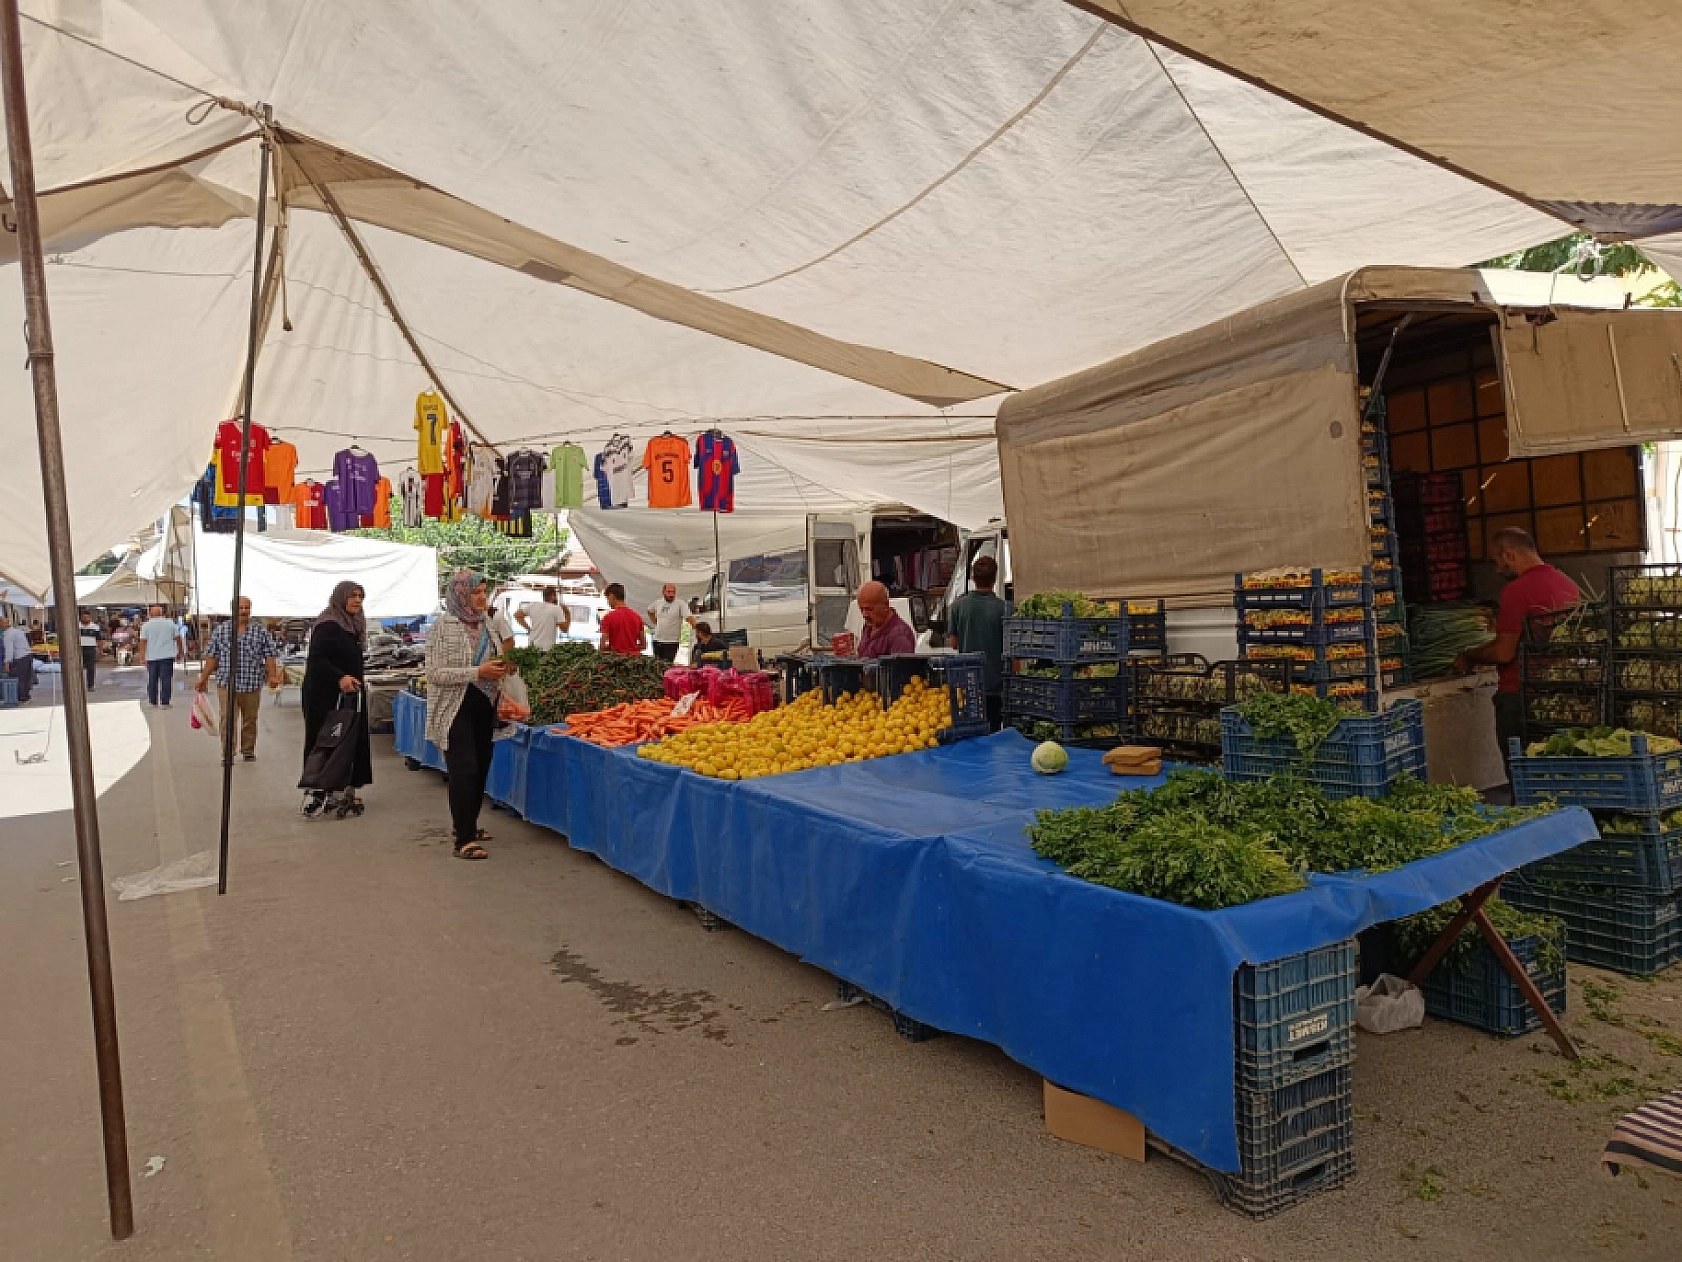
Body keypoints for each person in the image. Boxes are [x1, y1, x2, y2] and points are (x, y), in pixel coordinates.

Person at [1453, 527, 1581, 765]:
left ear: (1509, 555)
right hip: (1560, 694)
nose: (1497, 570)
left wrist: (1469, 656)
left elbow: (1503, 652)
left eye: (1497, 561)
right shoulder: (1568, 584)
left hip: (1521, 696)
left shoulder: (1517, 590)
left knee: (1523, 773)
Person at [426, 570, 511, 860]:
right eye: (475, 593)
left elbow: (495, 657)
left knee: (481, 767)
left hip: (484, 704)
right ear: (461, 594)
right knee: (465, 770)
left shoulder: (486, 622)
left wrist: (503, 668)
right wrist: (477, 672)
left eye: (484, 592)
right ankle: (463, 839)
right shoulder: (443, 626)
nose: (481, 597)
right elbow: (434, 673)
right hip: (454, 707)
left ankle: (469, 825)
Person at [300, 581, 372, 817]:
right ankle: (320, 790)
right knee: (326, 738)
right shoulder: (328, 623)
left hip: (348, 692)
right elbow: (317, 660)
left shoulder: (354, 623)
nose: (357, 600)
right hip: (324, 694)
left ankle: (342, 785)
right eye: (352, 596)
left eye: (360, 596)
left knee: (348, 739)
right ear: (340, 597)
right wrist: (340, 677)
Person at [196, 597, 284, 761]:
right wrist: (204, 678)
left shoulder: (260, 631)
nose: (244, 611)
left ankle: (248, 750)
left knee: (250, 719)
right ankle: (228, 752)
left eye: (247, 608)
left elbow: (270, 655)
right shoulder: (221, 631)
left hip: (252, 683)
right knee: (227, 719)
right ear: (233, 610)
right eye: (240, 608)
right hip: (226, 683)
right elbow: (212, 656)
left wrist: (272, 675)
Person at [945, 556, 1007, 730]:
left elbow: (954, 644)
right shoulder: (1003, 608)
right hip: (995, 684)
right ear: (995, 579)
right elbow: (1010, 649)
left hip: (968, 684)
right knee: (993, 731)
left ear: (972, 578)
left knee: (970, 732)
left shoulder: (957, 606)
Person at [856, 580, 915, 659]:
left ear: (885, 605)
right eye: (861, 609)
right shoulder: (868, 627)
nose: (864, 614)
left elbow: (900, 669)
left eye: (869, 609)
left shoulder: (899, 636)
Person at [140, 605, 181, 707]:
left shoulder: (146, 626)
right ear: (162, 613)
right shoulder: (170, 624)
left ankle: (153, 702)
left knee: (152, 679)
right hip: (167, 656)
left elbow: (143, 642)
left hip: (151, 657)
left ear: (150, 614)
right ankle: (165, 702)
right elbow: (178, 639)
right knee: (166, 679)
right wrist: (180, 652)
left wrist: (142, 657)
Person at [600, 583, 647, 655]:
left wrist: (612, 649)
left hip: (616, 659)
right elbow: (643, 645)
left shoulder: (608, 617)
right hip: (635, 660)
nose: (608, 602)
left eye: (608, 599)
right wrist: (631, 649)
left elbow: (602, 646)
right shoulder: (637, 617)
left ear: (612, 597)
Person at [646, 583, 685, 663]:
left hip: (672, 641)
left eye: (673, 592)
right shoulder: (658, 602)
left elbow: (688, 617)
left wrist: (696, 626)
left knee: (667, 665)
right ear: (663, 592)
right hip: (657, 640)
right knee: (656, 665)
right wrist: (655, 621)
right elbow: (649, 610)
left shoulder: (680, 603)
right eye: (669, 592)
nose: (671, 594)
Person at [1, 616, 35, 703]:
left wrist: (7, 663)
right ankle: (26, 696)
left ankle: (22, 697)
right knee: (26, 677)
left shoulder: (8, 635)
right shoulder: (17, 631)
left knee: (19, 678)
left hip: (20, 658)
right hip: (27, 656)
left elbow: (9, 650)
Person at [77, 609, 103, 692]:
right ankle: (78, 686)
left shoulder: (95, 627)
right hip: (79, 649)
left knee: (91, 668)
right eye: (83, 617)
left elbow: (99, 640)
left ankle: (90, 685)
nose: (85, 619)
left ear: (90, 618)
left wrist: (100, 650)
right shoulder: (76, 626)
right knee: (77, 668)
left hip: (91, 649)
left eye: (87, 617)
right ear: (81, 618)